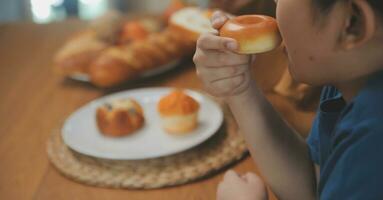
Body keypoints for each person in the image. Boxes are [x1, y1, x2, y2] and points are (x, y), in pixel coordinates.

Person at [193, 0, 383, 199]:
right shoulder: (348, 79)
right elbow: (315, 183)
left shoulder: (374, 142)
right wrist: (239, 89)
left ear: (353, 23)